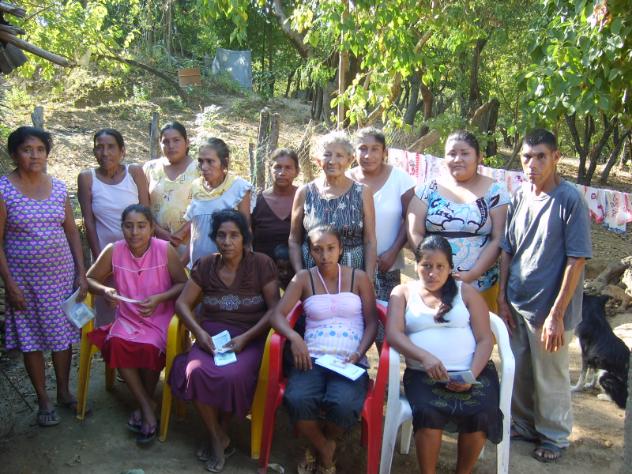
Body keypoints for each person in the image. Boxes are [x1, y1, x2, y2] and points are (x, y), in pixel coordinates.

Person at [498, 129, 592, 463]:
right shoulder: (520, 195)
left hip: (551, 309)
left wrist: (556, 314)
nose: (532, 164)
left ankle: (554, 437)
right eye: (527, 157)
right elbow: (507, 249)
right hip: (517, 302)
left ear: (556, 157)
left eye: (541, 156)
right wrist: (502, 298)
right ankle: (524, 425)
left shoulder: (570, 200)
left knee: (550, 376)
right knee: (520, 371)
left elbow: (576, 260)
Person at [169, 209, 279, 472]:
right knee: (195, 371)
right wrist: (199, 333)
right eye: (221, 235)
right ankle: (218, 437)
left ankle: (222, 430)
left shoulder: (261, 264)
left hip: (249, 337)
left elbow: (275, 309)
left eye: (234, 235)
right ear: (214, 238)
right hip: (211, 338)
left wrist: (246, 338)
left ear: (245, 238)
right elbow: (182, 304)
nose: (227, 241)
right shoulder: (206, 265)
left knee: (233, 375)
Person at [386, 235, 502, 474]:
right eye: (426, 265)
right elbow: (394, 334)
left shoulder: (465, 292)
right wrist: (424, 357)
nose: (433, 273)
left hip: (472, 373)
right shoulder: (403, 292)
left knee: (481, 413)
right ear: (416, 265)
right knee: (428, 413)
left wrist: (471, 374)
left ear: (450, 268)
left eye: (440, 266)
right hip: (424, 375)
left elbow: (485, 339)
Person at [270, 225, 377, 474]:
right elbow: (277, 315)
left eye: (330, 248)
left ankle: (320, 444)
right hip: (312, 358)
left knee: (343, 404)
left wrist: (359, 353)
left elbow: (372, 323)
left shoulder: (358, 278)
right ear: (310, 252)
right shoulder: (303, 279)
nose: (325, 255)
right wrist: (294, 337)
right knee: (297, 398)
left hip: (349, 360)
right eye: (318, 249)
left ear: (340, 249)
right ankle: (325, 448)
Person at [0, 126, 88, 427]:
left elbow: (72, 232)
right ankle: (43, 399)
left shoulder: (59, 188)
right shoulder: (4, 190)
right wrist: (10, 284)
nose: (34, 155)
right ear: (15, 154)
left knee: (63, 337)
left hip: (61, 279)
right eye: (27, 150)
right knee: (31, 340)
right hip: (24, 282)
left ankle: (63, 391)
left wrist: (81, 272)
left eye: (40, 149)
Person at [86, 204, 187, 444]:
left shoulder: (164, 250)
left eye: (141, 226)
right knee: (116, 344)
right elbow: (90, 279)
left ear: (152, 228)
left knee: (150, 347)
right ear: (121, 228)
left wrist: (160, 298)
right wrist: (105, 290)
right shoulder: (114, 250)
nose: (135, 232)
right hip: (128, 317)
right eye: (129, 226)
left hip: (159, 317)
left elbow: (183, 283)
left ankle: (144, 406)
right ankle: (147, 406)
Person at [407, 130, 509, 312]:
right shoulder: (428, 190)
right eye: (452, 153)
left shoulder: (495, 191)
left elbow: (498, 237)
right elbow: (414, 231)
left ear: (479, 157)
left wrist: (472, 274)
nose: (457, 159)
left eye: (465, 153)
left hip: (480, 284)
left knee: (479, 328)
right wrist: (431, 267)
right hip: (433, 283)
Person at [348, 127, 414, 347]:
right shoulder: (346, 179)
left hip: (387, 265)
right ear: (354, 152)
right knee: (353, 323)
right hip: (351, 267)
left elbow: (411, 219)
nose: (368, 155)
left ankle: (386, 369)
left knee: (386, 326)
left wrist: (393, 252)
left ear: (385, 152)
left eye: (375, 149)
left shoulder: (400, 179)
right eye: (362, 148)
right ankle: (355, 366)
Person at [78, 128, 150, 326]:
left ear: (122, 151)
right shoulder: (87, 178)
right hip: (105, 255)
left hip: (138, 256)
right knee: (108, 308)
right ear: (94, 151)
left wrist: (146, 255)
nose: (105, 153)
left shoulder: (134, 172)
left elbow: (146, 215)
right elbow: (89, 222)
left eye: (111, 147)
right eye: (99, 147)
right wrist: (100, 259)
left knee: (138, 307)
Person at [289, 131, 376, 278]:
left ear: (350, 160)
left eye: (339, 155)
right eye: (327, 154)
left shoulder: (362, 192)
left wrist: (368, 279)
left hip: (353, 276)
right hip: (313, 275)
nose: (332, 161)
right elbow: (294, 239)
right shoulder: (305, 192)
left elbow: (370, 241)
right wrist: (300, 275)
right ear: (318, 160)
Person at [184, 138, 252, 268]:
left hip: (228, 268)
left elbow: (246, 230)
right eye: (201, 161)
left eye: (210, 161)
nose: (204, 167)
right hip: (198, 267)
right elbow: (195, 231)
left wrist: (246, 268)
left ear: (224, 162)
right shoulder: (196, 187)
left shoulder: (239, 187)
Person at [143, 121, 198, 259]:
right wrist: (158, 230)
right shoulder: (150, 168)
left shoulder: (200, 169)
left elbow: (207, 205)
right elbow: (142, 205)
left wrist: (182, 232)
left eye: (176, 140)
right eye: (165, 141)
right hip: (156, 241)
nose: (171, 145)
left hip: (192, 242)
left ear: (187, 142)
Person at [252, 148, 299, 279]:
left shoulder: (306, 198)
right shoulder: (256, 202)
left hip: (299, 274)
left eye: (288, 168)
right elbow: (247, 238)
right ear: (270, 169)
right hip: (262, 274)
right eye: (277, 167)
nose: (282, 173)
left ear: (297, 171)